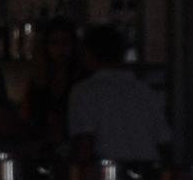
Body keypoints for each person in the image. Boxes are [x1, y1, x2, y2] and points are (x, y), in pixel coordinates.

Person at [69, 24, 172, 164]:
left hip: (106, 175)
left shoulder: (84, 92)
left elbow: (83, 146)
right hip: (147, 175)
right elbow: (164, 144)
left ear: (88, 54)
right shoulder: (147, 92)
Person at [25, 19, 88, 151]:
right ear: (46, 47)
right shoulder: (37, 83)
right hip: (41, 149)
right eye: (54, 43)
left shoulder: (84, 81)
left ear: (74, 45)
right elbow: (25, 120)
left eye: (66, 42)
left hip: (76, 149)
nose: (61, 49)